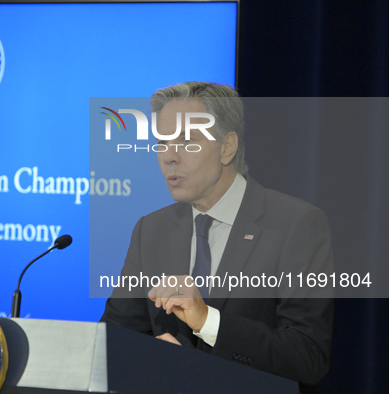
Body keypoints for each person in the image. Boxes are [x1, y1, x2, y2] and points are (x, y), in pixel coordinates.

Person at [100, 82, 333, 393]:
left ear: (227, 147)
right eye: (162, 142)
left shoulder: (296, 224)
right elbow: (113, 340)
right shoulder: (151, 230)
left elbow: (308, 357)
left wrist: (209, 321)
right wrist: (151, 357)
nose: (169, 156)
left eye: (186, 141)